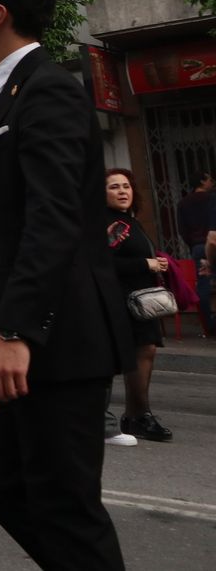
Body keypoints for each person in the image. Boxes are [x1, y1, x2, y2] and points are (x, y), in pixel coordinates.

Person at [0, 0, 132, 571]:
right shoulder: (4, 91)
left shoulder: (49, 87)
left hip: (55, 339)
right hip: (22, 336)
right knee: (2, 486)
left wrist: (16, 331)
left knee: (64, 506)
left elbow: (53, 218)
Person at [104, 168, 171, 442]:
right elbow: (104, 262)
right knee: (140, 354)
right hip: (125, 301)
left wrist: (159, 264)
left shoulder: (129, 221)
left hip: (141, 301)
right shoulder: (112, 225)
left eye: (126, 186)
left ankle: (136, 415)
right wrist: (146, 263)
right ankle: (139, 415)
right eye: (114, 187)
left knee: (145, 353)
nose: (122, 191)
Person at [174, 171, 214, 334]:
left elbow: (182, 230)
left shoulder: (183, 203)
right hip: (213, 243)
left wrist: (194, 244)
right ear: (203, 182)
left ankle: (209, 325)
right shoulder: (212, 198)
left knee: (203, 284)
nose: (212, 182)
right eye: (210, 179)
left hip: (197, 247)